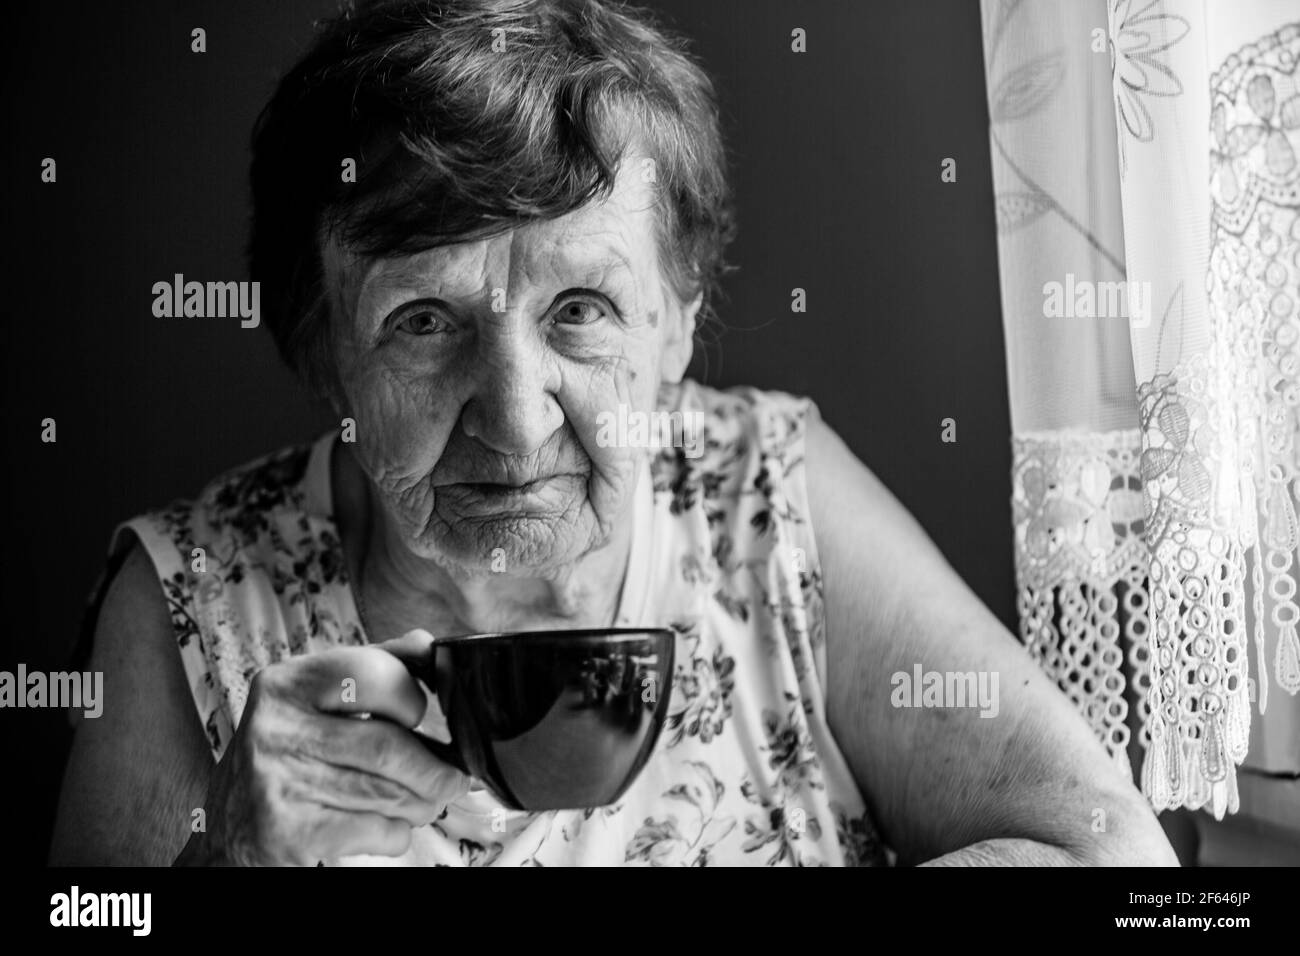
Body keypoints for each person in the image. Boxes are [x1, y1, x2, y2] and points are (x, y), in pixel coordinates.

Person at [49, 0, 1177, 866]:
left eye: (579, 310)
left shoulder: (764, 493)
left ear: (677, 324)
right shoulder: (186, 589)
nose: (517, 414)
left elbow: (1108, 849)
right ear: (319, 347)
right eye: (425, 318)